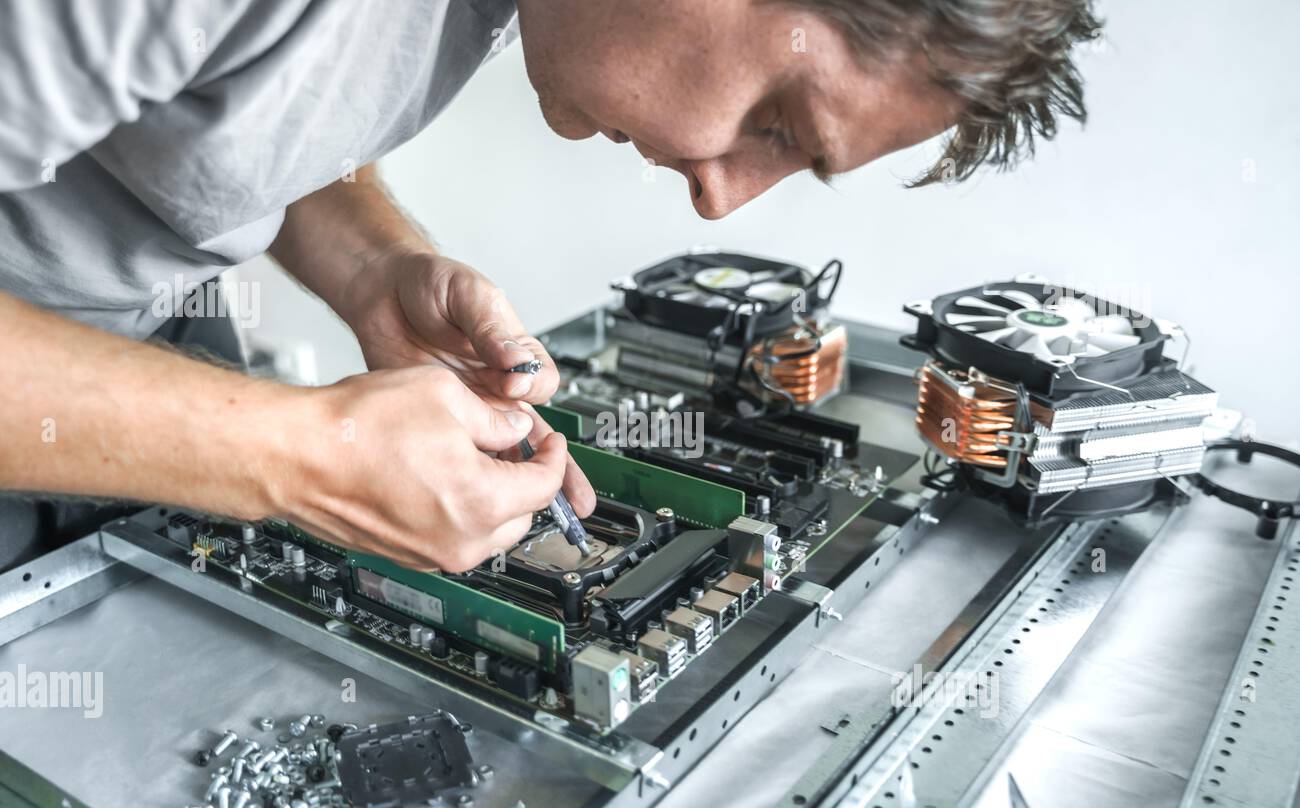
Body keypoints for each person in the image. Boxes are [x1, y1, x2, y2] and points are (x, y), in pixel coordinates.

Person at [0, 0, 1100, 573]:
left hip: (149, 347)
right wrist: (299, 455)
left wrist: (373, 262)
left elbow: (239, 101)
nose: (721, 202)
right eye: (777, 122)